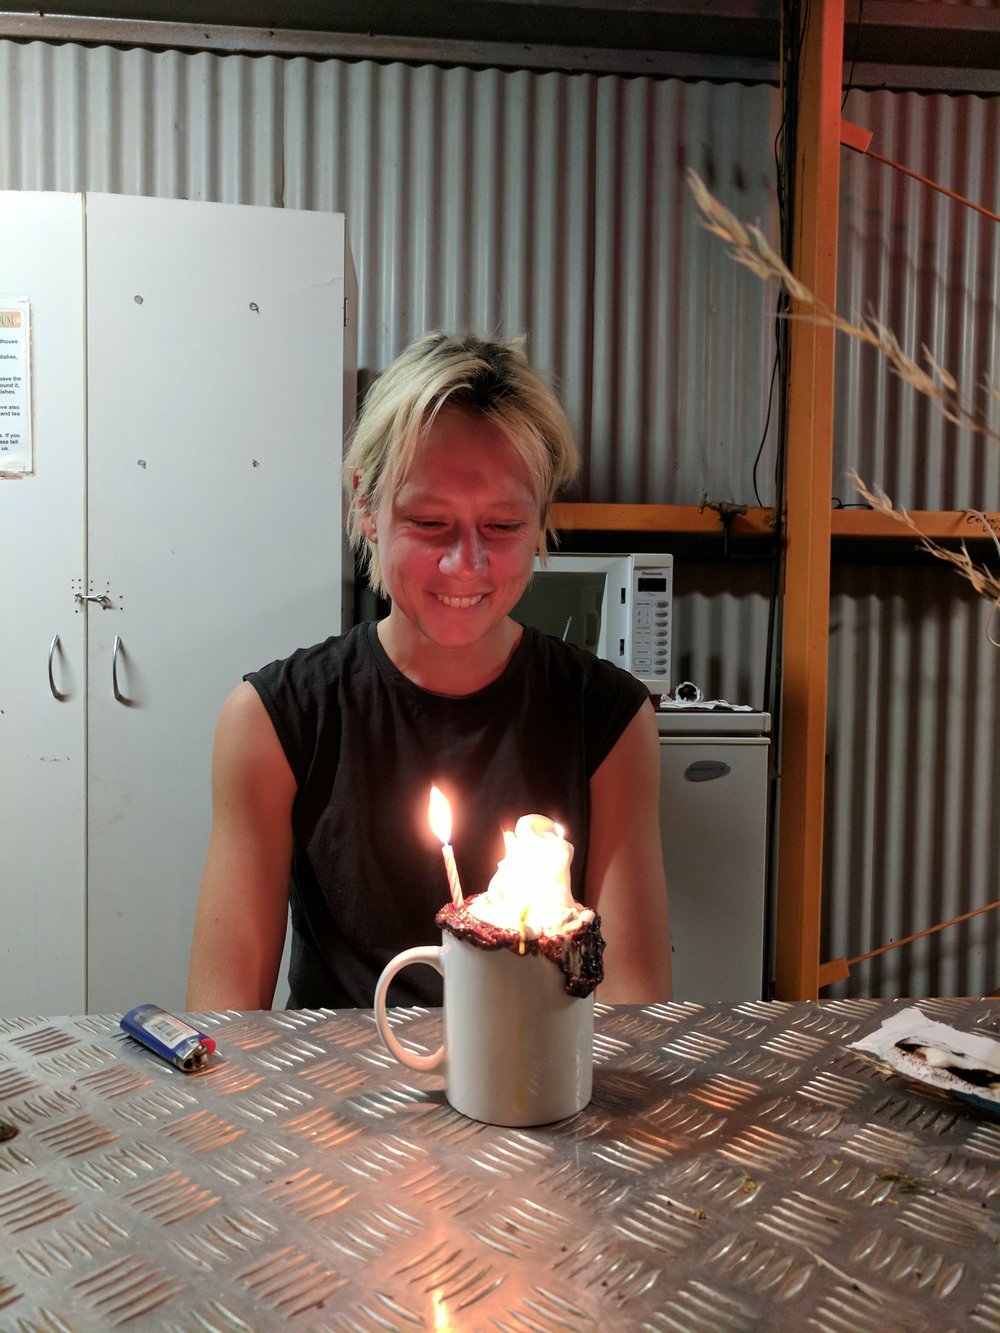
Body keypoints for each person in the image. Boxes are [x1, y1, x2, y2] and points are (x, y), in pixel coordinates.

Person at [186, 332, 672, 1010]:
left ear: (540, 521)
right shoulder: (273, 720)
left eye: (502, 525)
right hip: (335, 1105)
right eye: (429, 520)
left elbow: (635, 1006)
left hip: (540, 1093)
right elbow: (225, 1021)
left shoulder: (609, 720)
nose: (466, 563)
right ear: (367, 505)